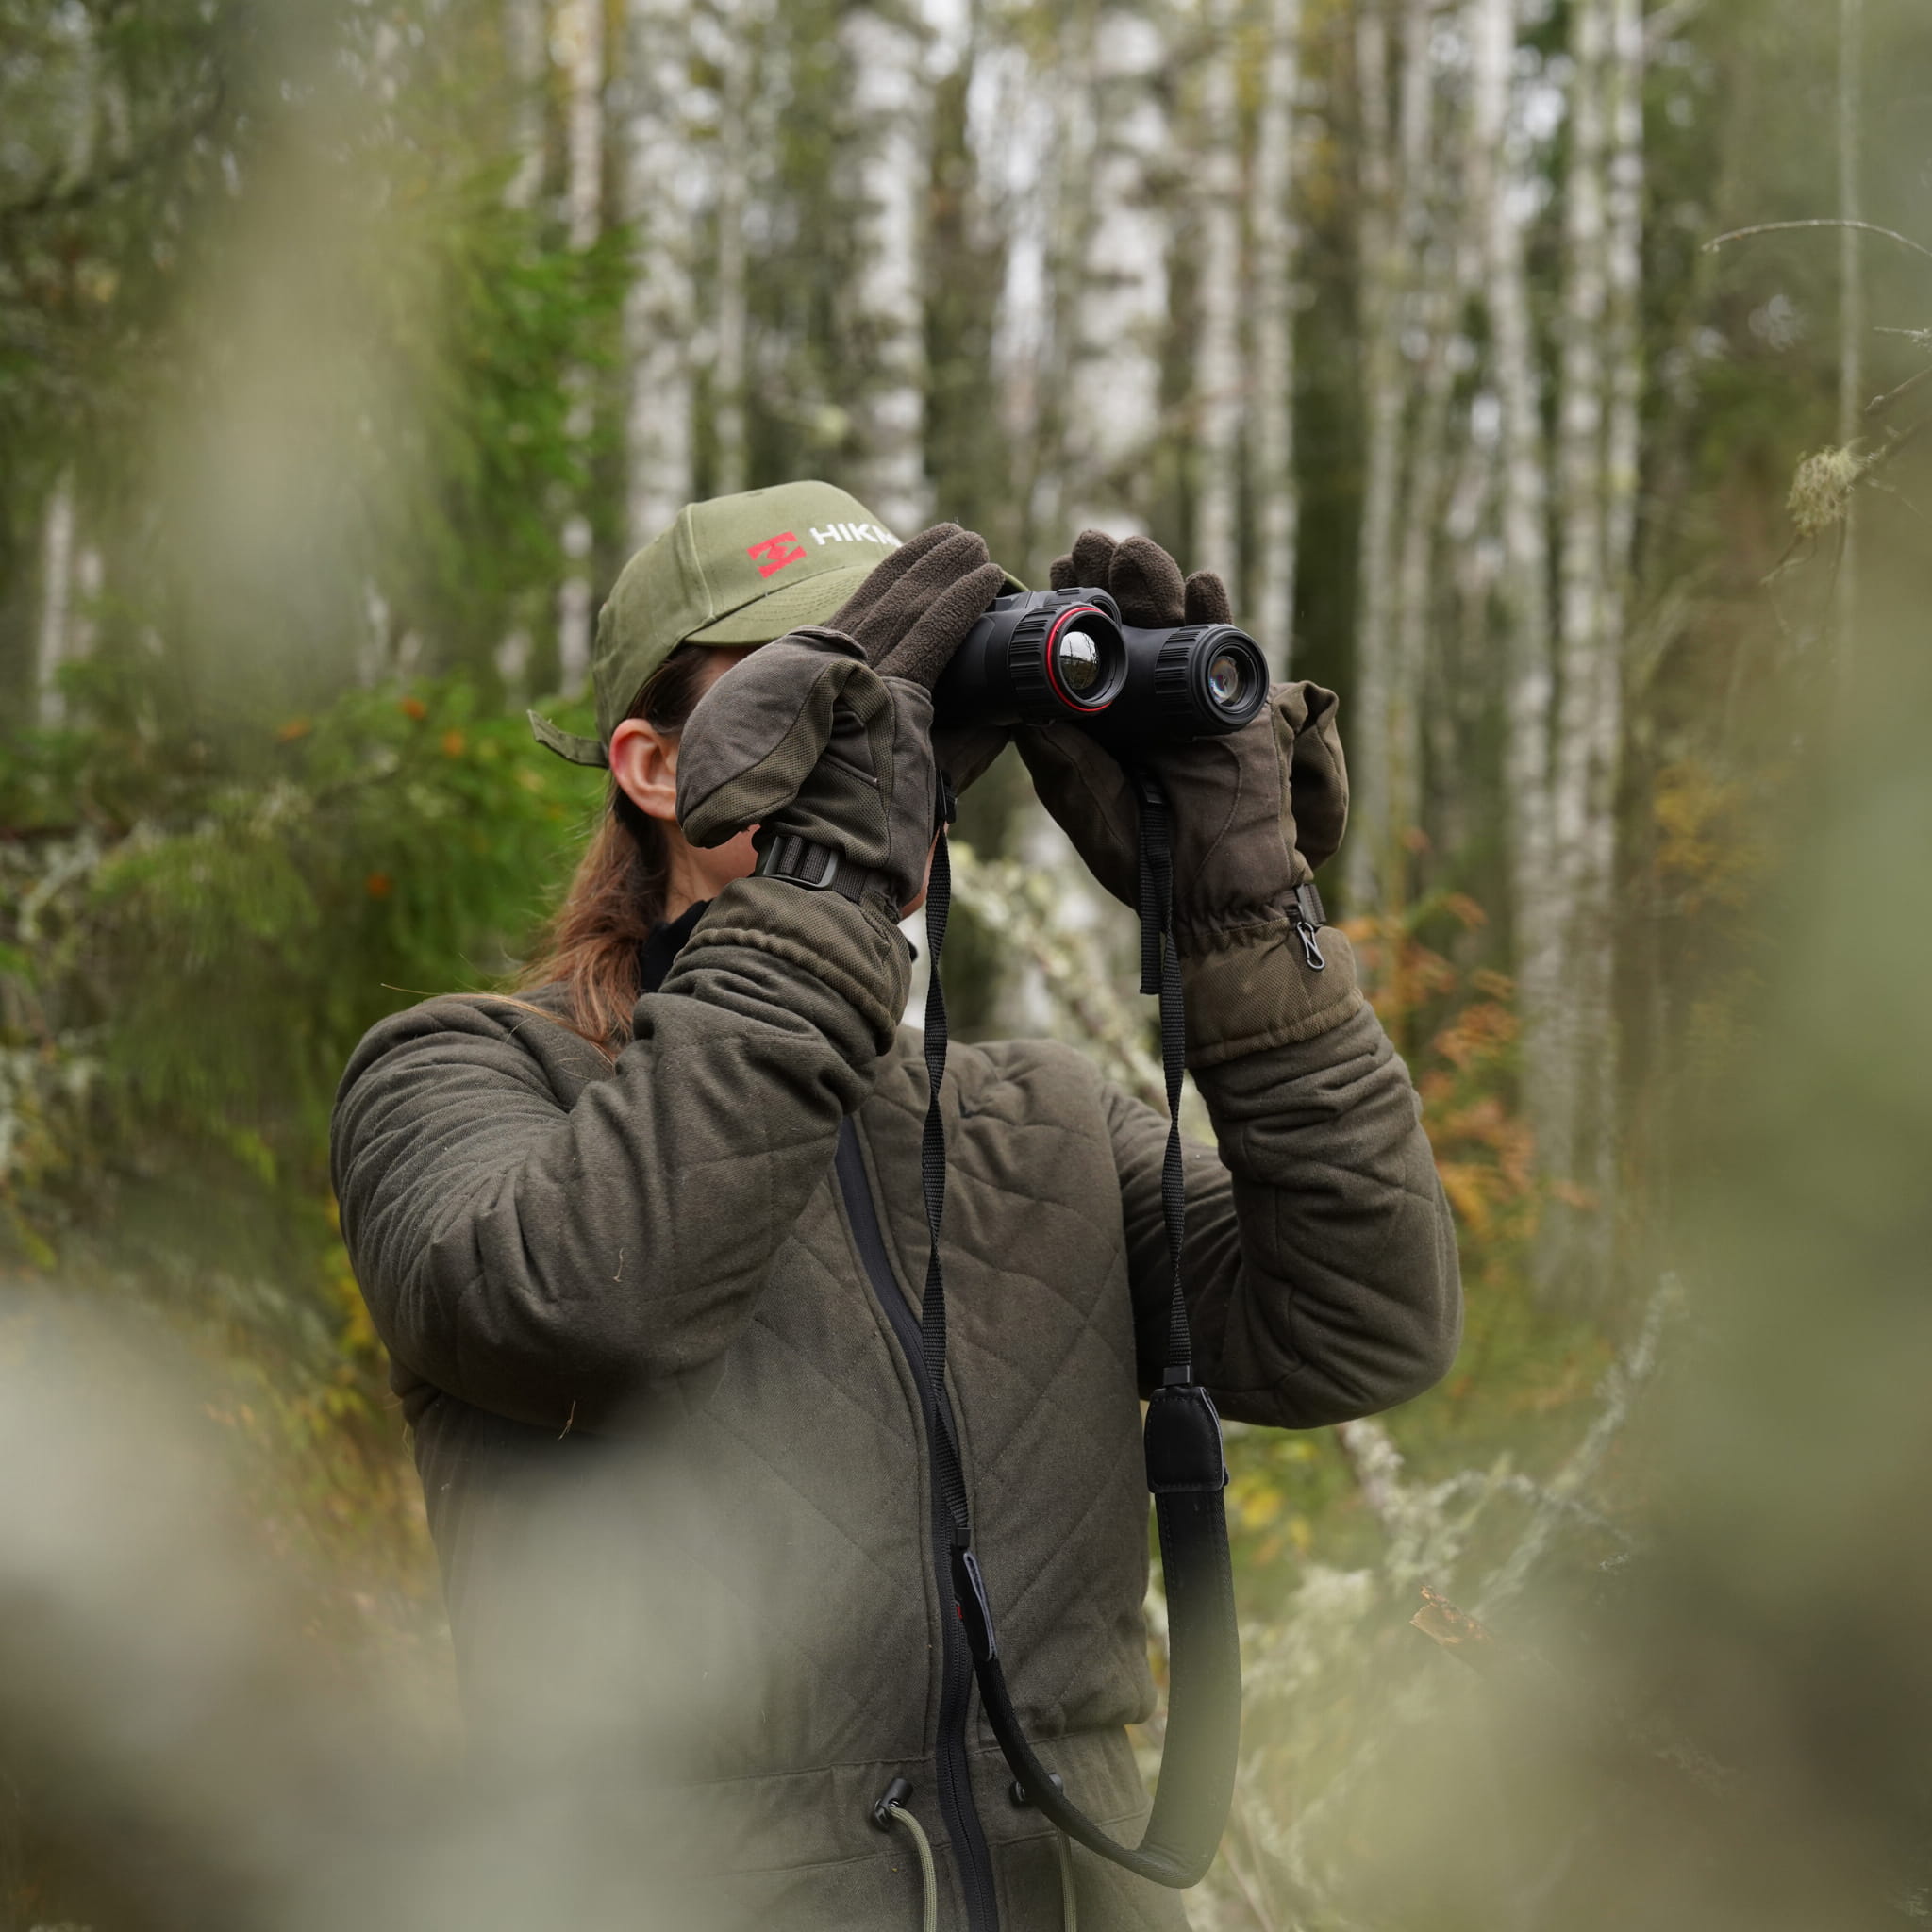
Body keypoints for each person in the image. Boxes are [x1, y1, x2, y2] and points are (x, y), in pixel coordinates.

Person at [330, 479, 1461, 1931]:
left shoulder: (1040, 1121)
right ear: (654, 767)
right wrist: (825, 876)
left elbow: (1366, 1323)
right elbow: (584, 1308)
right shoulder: (459, 1078)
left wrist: (1241, 918)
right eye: (821, 683)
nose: (886, 729)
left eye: (911, 690)